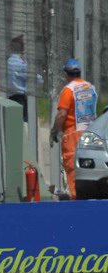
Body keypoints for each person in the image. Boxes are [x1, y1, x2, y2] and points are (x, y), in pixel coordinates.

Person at [50, 58, 98, 200]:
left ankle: (75, 200)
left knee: (72, 168)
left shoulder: (68, 90)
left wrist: (54, 131)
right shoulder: (90, 87)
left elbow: (62, 114)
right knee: (88, 167)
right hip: (90, 133)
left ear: (66, 73)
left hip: (72, 135)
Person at [6, 35, 29, 122]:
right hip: (20, 98)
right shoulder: (21, 63)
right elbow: (32, 77)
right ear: (22, 49)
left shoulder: (8, 61)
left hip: (10, 97)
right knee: (23, 124)